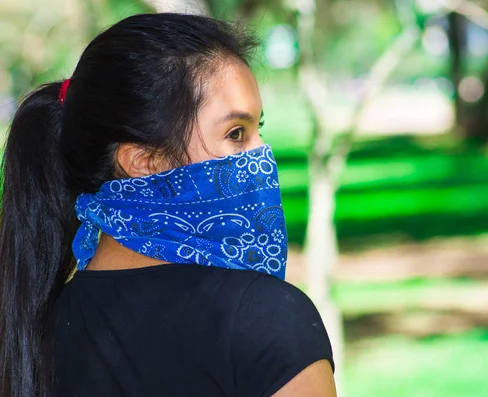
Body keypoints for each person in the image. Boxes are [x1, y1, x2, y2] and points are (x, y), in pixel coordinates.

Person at [0, 13, 336, 397]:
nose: (263, 155)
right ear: (145, 163)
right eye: (236, 133)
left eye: (259, 129)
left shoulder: (35, 328)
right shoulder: (263, 318)